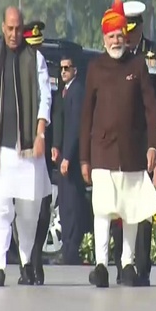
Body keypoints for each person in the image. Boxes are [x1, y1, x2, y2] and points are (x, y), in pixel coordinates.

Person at [0, 6, 53, 287]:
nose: (14, 34)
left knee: (29, 210)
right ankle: (0, 265)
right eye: (10, 28)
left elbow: (44, 99)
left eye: (18, 29)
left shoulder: (35, 58)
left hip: (27, 149)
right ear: (3, 27)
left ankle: (26, 262)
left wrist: (40, 133)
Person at [80, 1, 156, 288]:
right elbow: (86, 114)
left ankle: (127, 262)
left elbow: (152, 108)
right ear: (104, 38)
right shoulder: (95, 68)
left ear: (126, 37)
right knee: (103, 209)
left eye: (120, 35)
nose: (117, 40)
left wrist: (153, 145)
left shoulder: (138, 65)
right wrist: (84, 159)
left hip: (132, 153)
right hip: (101, 152)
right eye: (111, 36)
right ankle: (101, 264)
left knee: (130, 211)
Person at [108, 0, 156, 286]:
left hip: (145, 141)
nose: (128, 36)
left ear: (141, 27)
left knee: (142, 204)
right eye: (124, 31)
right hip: (120, 141)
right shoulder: (115, 54)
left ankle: (141, 265)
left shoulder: (154, 53)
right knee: (120, 204)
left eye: (132, 30)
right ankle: (122, 263)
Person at [11, 20, 63, 285]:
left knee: (42, 210)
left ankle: (35, 258)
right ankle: (25, 264)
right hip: (19, 148)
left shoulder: (46, 67)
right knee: (22, 207)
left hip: (42, 149)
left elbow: (56, 109)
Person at [54, 54, 89, 264]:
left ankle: (71, 249)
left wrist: (67, 156)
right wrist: (55, 148)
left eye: (67, 67)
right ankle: (67, 247)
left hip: (73, 159)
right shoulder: (64, 91)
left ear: (75, 70)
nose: (64, 71)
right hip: (63, 156)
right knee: (65, 204)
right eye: (61, 68)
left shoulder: (78, 91)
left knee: (73, 204)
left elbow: (76, 127)